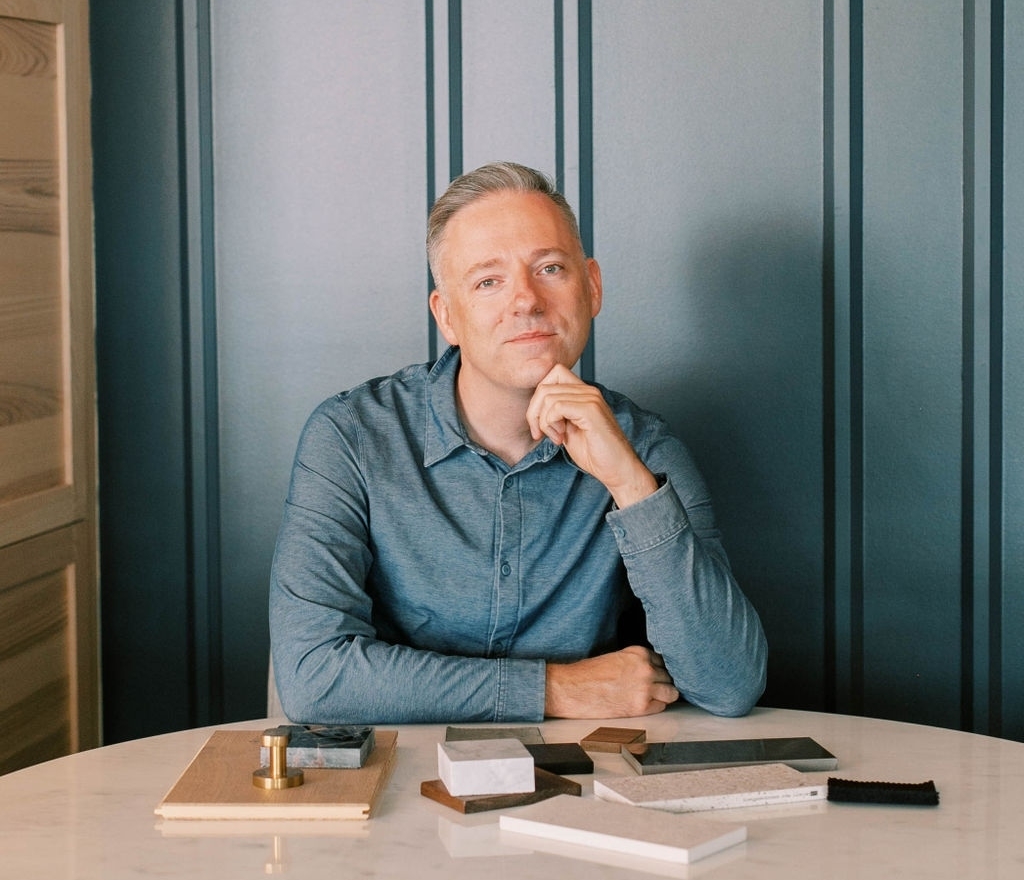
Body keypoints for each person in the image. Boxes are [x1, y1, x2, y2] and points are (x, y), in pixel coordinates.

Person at [270, 162, 766, 723]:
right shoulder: (351, 437)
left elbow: (729, 685)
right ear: (447, 316)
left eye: (550, 268)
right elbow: (314, 676)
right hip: (401, 766)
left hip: (584, 773)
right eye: (488, 281)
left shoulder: (645, 447)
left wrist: (631, 485)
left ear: (592, 287)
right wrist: (556, 689)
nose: (526, 301)